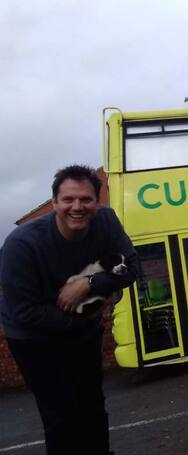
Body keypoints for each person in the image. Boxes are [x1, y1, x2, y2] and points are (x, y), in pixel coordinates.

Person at [0, 164, 137, 454]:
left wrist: (88, 282)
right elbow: (25, 312)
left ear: (97, 203)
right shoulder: (21, 246)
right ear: (54, 204)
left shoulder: (106, 222)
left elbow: (129, 268)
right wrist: (86, 315)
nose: (78, 207)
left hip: (81, 328)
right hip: (31, 336)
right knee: (60, 414)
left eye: (86, 199)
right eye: (68, 200)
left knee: (92, 405)